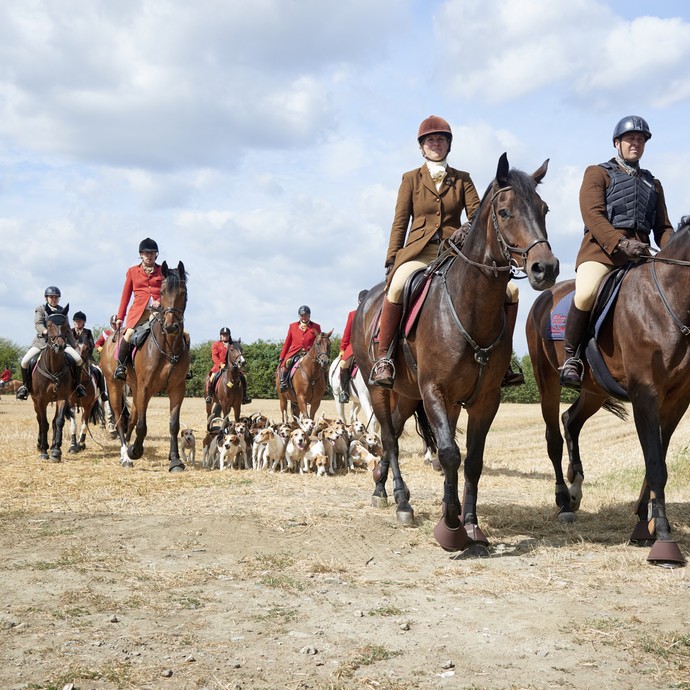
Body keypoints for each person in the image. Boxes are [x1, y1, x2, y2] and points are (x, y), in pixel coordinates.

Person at [371, 115, 526, 388]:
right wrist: (392, 259)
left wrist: (466, 229)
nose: (435, 144)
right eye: (430, 140)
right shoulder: (410, 179)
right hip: (418, 253)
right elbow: (400, 222)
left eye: (441, 139)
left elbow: (480, 214)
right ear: (422, 147)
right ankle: (385, 358)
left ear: (448, 145)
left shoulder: (463, 179)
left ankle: (502, 362)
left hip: (456, 253)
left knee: (511, 291)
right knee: (396, 287)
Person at [559, 115, 674, 388]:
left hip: (642, 256)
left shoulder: (653, 184)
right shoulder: (597, 173)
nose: (636, 144)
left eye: (640, 140)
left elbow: (663, 227)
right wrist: (621, 243)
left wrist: (672, 256)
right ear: (617, 143)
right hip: (602, 253)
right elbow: (592, 216)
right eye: (630, 139)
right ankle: (570, 358)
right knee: (586, 292)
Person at [113, 238, 192, 381]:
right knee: (128, 334)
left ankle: (185, 368)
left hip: (159, 311)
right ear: (141, 254)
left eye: (152, 253)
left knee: (185, 334)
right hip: (138, 312)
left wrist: (159, 301)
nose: (149, 256)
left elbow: (169, 292)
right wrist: (120, 317)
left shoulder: (163, 271)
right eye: (146, 253)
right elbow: (125, 296)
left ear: (156, 255)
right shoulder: (132, 271)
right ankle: (121, 366)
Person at [15, 286, 87, 400]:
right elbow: (38, 324)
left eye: (56, 297)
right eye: (51, 297)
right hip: (42, 342)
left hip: (61, 342)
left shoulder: (62, 311)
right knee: (24, 362)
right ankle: (25, 387)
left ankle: (77, 386)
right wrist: (46, 332)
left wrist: (74, 346)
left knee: (78, 360)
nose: (53, 299)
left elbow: (67, 329)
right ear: (46, 298)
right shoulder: (41, 309)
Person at [278, 305, 321, 392]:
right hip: (295, 352)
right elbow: (287, 342)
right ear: (299, 316)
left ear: (309, 315)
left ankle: (324, 386)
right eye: (302, 315)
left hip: (310, 353)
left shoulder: (316, 327)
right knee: (287, 362)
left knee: (322, 366)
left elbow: (319, 342)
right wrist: (282, 356)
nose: (304, 317)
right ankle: (283, 382)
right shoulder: (292, 326)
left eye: (306, 315)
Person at [205, 327, 251, 405]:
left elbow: (237, 354)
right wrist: (220, 364)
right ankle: (209, 396)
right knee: (211, 378)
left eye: (227, 335)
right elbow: (214, 356)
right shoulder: (216, 344)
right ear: (220, 336)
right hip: (219, 366)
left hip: (232, 367)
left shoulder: (233, 344)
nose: (225, 336)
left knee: (243, 377)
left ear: (229, 335)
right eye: (223, 335)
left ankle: (244, 397)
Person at [338, 289, 368, 403]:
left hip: (370, 346)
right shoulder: (352, 314)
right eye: (361, 301)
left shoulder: (374, 312)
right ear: (358, 302)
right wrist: (342, 349)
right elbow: (347, 334)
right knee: (343, 364)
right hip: (355, 347)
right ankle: (344, 391)